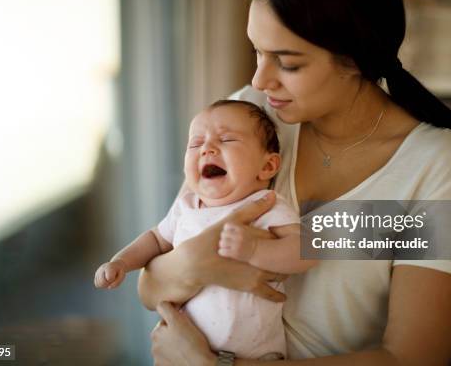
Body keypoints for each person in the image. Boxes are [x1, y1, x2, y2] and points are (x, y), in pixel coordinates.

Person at [141, 0, 451, 365]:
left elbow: (415, 357)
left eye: (288, 62)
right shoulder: (250, 119)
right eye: (257, 51)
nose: (259, 80)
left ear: (355, 59)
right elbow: (150, 286)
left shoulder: (440, 166)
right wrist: (196, 263)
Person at [94, 100, 316, 360]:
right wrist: (121, 261)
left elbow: (308, 250)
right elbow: (155, 239)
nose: (207, 149)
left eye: (226, 140)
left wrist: (256, 248)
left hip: (257, 356)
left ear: (266, 167)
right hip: (179, 352)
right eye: (196, 143)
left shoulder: (265, 205)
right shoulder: (186, 205)